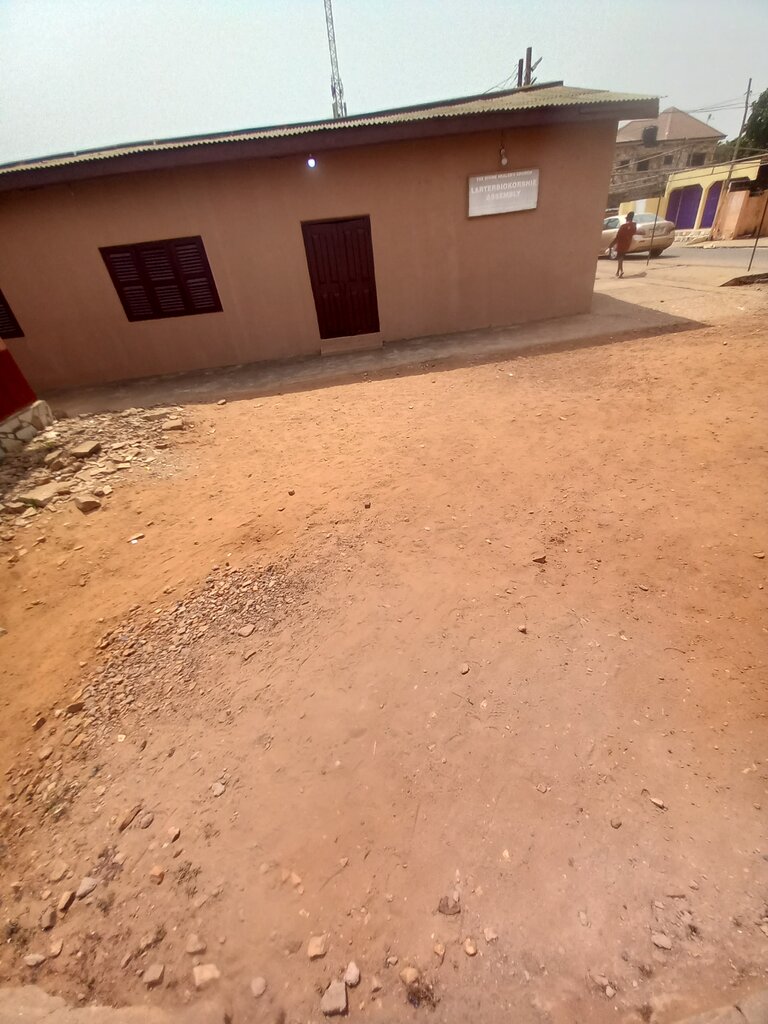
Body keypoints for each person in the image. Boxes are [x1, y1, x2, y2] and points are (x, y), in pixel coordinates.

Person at [611, 211, 637, 278]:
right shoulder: (634, 226)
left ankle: (621, 271)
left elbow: (618, 236)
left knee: (620, 258)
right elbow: (633, 232)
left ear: (627, 219)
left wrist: (612, 243)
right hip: (627, 243)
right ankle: (617, 271)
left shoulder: (623, 226)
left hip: (621, 242)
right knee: (621, 257)